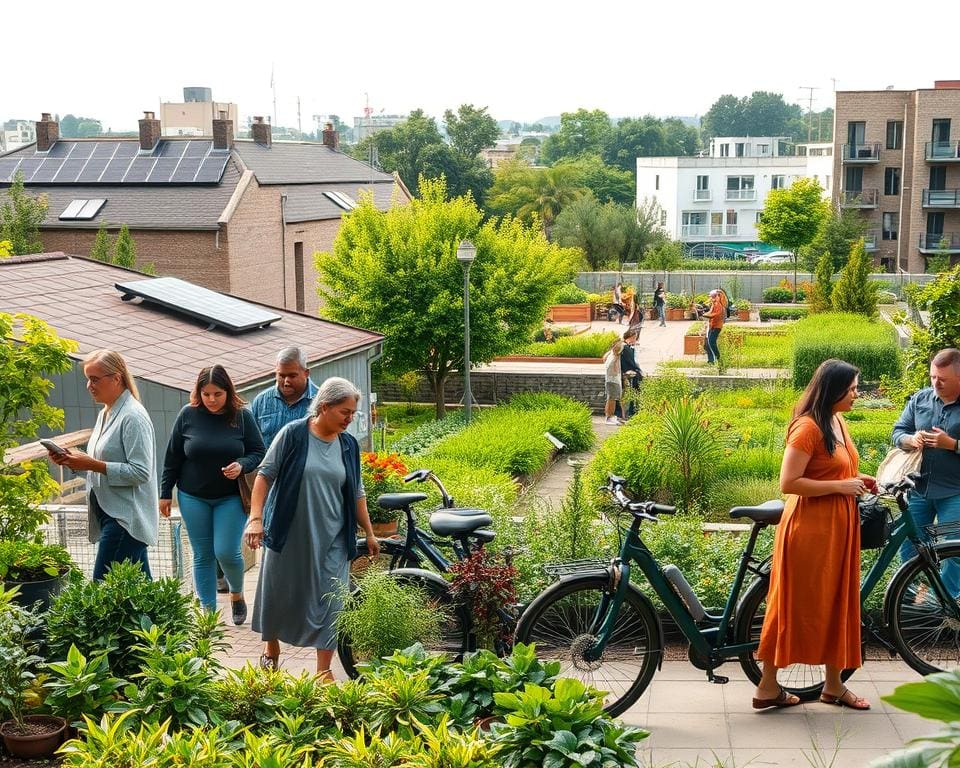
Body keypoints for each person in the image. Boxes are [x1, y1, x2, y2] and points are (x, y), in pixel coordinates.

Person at [754, 359, 876, 711]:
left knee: (838, 600)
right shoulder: (807, 427)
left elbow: (834, 468)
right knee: (795, 605)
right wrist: (841, 486)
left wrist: (859, 478)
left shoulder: (837, 421)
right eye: (852, 389)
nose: (857, 394)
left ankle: (834, 685)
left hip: (838, 526)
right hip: (810, 529)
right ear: (834, 390)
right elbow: (789, 482)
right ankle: (766, 686)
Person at [244, 377, 380, 679]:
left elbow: (357, 492)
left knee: (333, 599)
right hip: (290, 533)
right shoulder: (293, 435)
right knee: (280, 593)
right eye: (345, 411)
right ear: (324, 406)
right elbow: (264, 476)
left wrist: (369, 532)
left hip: (333, 536)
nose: (350, 418)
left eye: (353, 412)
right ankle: (271, 648)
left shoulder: (348, 445)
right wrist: (255, 518)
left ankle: (323, 672)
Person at [160, 365, 266, 624]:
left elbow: (258, 451)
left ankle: (237, 594)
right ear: (198, 392)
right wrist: (164, 493)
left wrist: (242, 464)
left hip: (229, 497)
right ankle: (208, 614)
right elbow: (172, 456)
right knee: (202, 553)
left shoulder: (242, 416)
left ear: (228, 391)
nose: (211, 400)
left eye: (217, 394)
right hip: (192, 496)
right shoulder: (188, 415)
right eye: (206, 394)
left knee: (226, 551)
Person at [48, 350, 158, 580]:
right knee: (140, 596)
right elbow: (100, 463)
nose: (89, 385)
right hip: (111, 513)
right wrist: (73, 461)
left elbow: (140, 472)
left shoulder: (133, 417)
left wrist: (91, 463)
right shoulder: (106, 413)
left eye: (95, 379)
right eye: (88, 378)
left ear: (116, 378)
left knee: (101, 592)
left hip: (125, 520)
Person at [891, 348, 960, 596]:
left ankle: (941, 605)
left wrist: (951, 444)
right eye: (932, 377)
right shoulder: (920, 399)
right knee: (910, 549)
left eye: (943, 380)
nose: (936, 384)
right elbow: (897, 432)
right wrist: (910, 439)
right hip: (918, 489)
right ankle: (907, 607)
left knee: (955, 551)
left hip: (954, 492)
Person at [251, 346, 319, 449]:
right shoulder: (261, 401)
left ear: (306, 373)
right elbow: (253, 446)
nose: (286, 382)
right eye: (281, 376)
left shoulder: (322, 402)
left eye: (292, 376)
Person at [615, 329, 643, 420]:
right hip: (628, 373)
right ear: (631, 337)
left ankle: (629, 412)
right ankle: (631, 412)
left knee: (627, 394)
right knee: (628, 394)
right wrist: (637, 370)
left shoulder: (627, 346)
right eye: (635, 337)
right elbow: (631, 363)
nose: (636, 339)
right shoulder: (626, 348)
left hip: (626, 372)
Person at [603, 340, 624, 425]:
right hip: (613, 381)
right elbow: (615, 371)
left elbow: (603, 359)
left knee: (611, 399)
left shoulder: (609, 355)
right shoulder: (614, 358)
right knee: (612, 399)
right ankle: (609, 417)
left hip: (610, 380)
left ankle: (609, 417)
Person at [702, 289, 725, 365]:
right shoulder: (714, 304)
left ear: (717, 296)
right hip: (712, 326)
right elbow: (711, 312)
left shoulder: (718, 305)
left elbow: (715, 314)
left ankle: (717, 359)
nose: (711, 298)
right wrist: (705, 313)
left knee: (711, 342)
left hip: (716, 327)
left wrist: (706, 315)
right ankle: (711, 361)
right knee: (708, 343)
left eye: (713, 297)